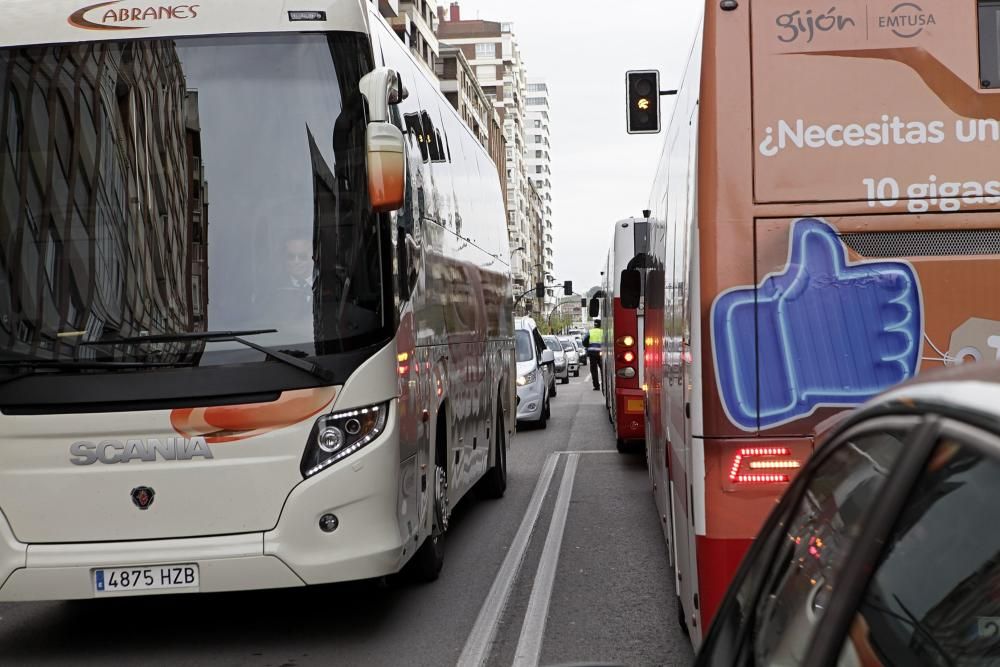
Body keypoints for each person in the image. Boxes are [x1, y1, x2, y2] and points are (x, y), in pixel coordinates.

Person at [582, 318, 603, 391]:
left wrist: (588, 346)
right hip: (601, 354)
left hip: (592, 353)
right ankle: (604, 384)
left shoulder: (590, 332)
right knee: (603, 369)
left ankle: (596, 386)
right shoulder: (603, 332)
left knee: (594, 370)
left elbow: (584, 341)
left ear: (594, 325)